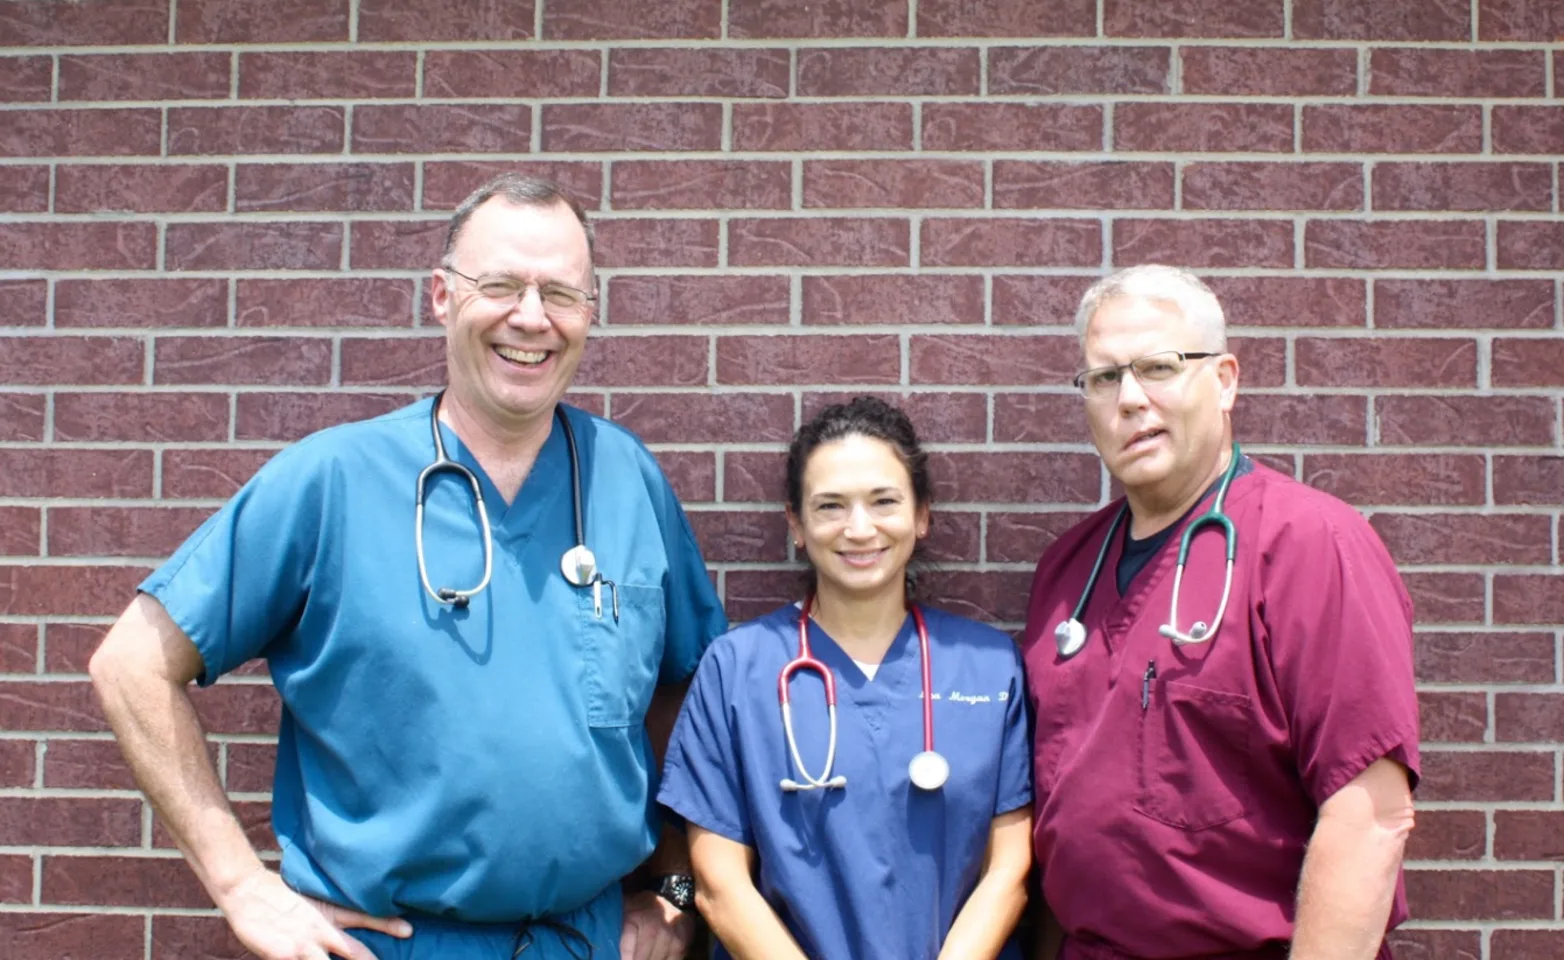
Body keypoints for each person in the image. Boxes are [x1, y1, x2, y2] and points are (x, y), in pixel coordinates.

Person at [88, 174, 727, 960]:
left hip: (586, 941)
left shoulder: (628, 480)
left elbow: (684, 700)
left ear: (591, 313)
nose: (532, 317)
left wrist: (670, 891)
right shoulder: (334, 482)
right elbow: (131, 666)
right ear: (440, 295)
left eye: (561, 293)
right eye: (499, 285)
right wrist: (239, 885)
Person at [1021, 264, 1419, 960]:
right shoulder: (1068, 571)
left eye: (1159, 367)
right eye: (1104, 378)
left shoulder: (1308, 545)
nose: (1131, 399)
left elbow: (1370, 815)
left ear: (1226, 380)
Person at [658, 396, 1033, 960]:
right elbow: (716, 884)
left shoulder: (989, 665)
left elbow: (1010, 871)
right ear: (797, 525)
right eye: (830, 506)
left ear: (922, 515)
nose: (860, 529)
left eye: (884, 501)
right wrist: (673, 898)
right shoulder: (737, 669)